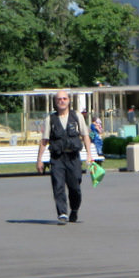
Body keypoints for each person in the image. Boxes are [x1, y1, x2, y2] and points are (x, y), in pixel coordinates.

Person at [36, 90, 94, 225]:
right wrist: (39, 159)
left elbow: (85, 136)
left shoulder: (77, 116)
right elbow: (44, 141)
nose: (62, 101)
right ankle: (62, 213)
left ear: (69, 101)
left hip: (73, 157)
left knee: (75, 187)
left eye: (64, 99)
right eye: (59, 99)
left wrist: (89, 155)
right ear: (55, 102)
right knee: (58, 185)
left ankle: (74, 209)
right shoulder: (50, 119)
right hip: (57, 158)